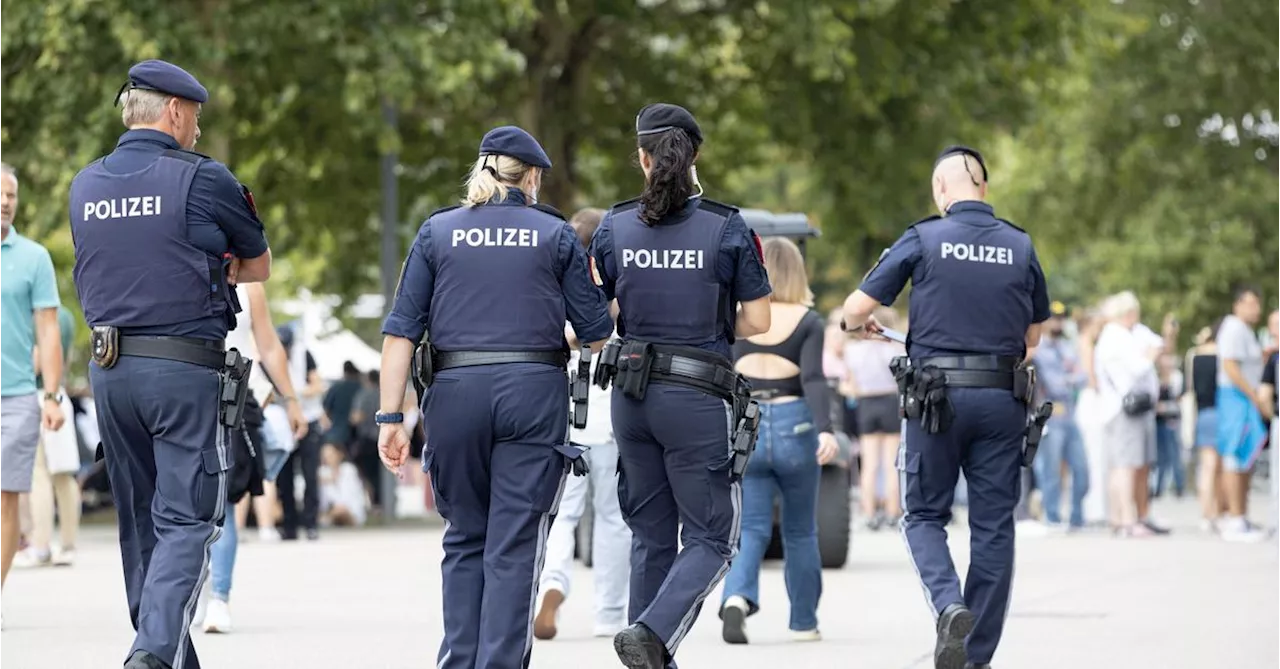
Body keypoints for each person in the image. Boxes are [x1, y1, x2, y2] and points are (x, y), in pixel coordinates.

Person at [376, 125, 614, 669]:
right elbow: (596, 331)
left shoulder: (437, 232)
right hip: (532, 395)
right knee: (513, 544)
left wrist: (392, 417)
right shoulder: (554, 235)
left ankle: (458, 661)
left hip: (455, 395)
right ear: (530, 177)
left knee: (464, 538)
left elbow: (400, 335)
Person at [68, 60, 270, 669]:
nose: (200, 131)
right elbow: (257, 265)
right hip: (182, 371)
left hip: (110, 372)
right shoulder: (202, 179)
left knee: (139, 523)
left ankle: (167, 658)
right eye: (197, 118)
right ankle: (152, 654)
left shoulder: (86, 183)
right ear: (175, 112)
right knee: (186, 519)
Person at [841, 145, 1050, 669]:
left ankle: (948, 605)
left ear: (941, 190)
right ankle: (974, 657)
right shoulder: (1020, 245)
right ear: (983, 187)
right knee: (994, 527)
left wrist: (858, 326)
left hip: (937, 401)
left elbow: (853, 311)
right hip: (1003, 399)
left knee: (924, 515)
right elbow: (1033, 336)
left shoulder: (924, 237)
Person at [588, 103, 772, 669]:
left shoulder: (612, 226)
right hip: (696, 398)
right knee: (713, 538)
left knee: (649, 536)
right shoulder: (726, 225)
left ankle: (647, 649)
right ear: (694, 157)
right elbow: (760, 320)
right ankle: (650, 631)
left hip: (631, 394)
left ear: (642, 158)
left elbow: (604, 312)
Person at [719, 237, 837, 645]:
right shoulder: (809, 322)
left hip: (746, 425)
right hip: (796, 424)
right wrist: (826, 428)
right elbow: (814, 379)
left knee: (749, 527)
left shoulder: (737, 319)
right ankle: (803, 622)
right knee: (800, 530)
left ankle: (735, 597)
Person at [533, 207, 633, 642]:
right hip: (609, 407)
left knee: (562, 512)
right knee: (613, 516)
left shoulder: (548, 279)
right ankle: (610, 614)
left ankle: (552, 584)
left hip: (565, 411)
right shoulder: (615, 286)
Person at [196, 281, 306, 634]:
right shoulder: (180, 264)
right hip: (187, 396)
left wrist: (291, 399)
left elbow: (268, 345)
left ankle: (219, 597)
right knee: (186, 503)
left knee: (226, 501)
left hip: (234, 400)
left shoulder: (249, 285)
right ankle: (196, 586)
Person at [0, 161, 67, 630]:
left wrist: (52, 394)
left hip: (17, 398)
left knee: (7, 499)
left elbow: (48, 333)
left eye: (11, 196)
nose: (6, 202)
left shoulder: (34, 257)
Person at [16, 305, 81, 569]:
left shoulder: (36, 317)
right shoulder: (65, 316)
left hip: (39, 395)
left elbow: (36, 359)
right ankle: (67, 545)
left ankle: (40, 546)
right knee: (64, 477)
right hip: (60, 394)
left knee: (38, 473)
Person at [1213, 286, 1268, 542]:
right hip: (1236, 398)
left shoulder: (1246, 330)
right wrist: (1253, 395)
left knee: (1245, 457)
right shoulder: (1233, 327)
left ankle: (1241, 516)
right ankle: (1233, 518)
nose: (1255, 309)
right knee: (1234, 458)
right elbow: (1230, 366)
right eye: (1251, 303)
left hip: (1243, 398)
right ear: (1238, 304)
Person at [845, 306, 907, 530]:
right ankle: (893, 511)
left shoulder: (853, 350)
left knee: (869, 464)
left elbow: (851, 384)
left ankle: (869, 512)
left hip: (866, 402)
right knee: (892, 463)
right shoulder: (897, 349)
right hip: (890, 401)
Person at [1030, 302, 1089, 531]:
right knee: (1050, 470)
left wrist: (1067, 379)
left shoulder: (1066, 347)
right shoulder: (1039, 349)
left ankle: (1076, 517)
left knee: (1082, 469)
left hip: (1070, 414)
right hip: (1050, 413)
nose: (1057, 322)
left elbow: (1082, 378)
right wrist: (1069, 378)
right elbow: (1054, 385)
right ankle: (1052, 516)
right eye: (1053, 318)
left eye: (1061, 318)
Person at [275, 324, 326, 541]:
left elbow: (318, 385)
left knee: (310, 475)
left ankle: (311, 523)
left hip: (308, 419)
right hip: (282, 424)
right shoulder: (270, 358)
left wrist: (293, 394)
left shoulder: (304, 355)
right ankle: (289, 526)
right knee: (284, 478)